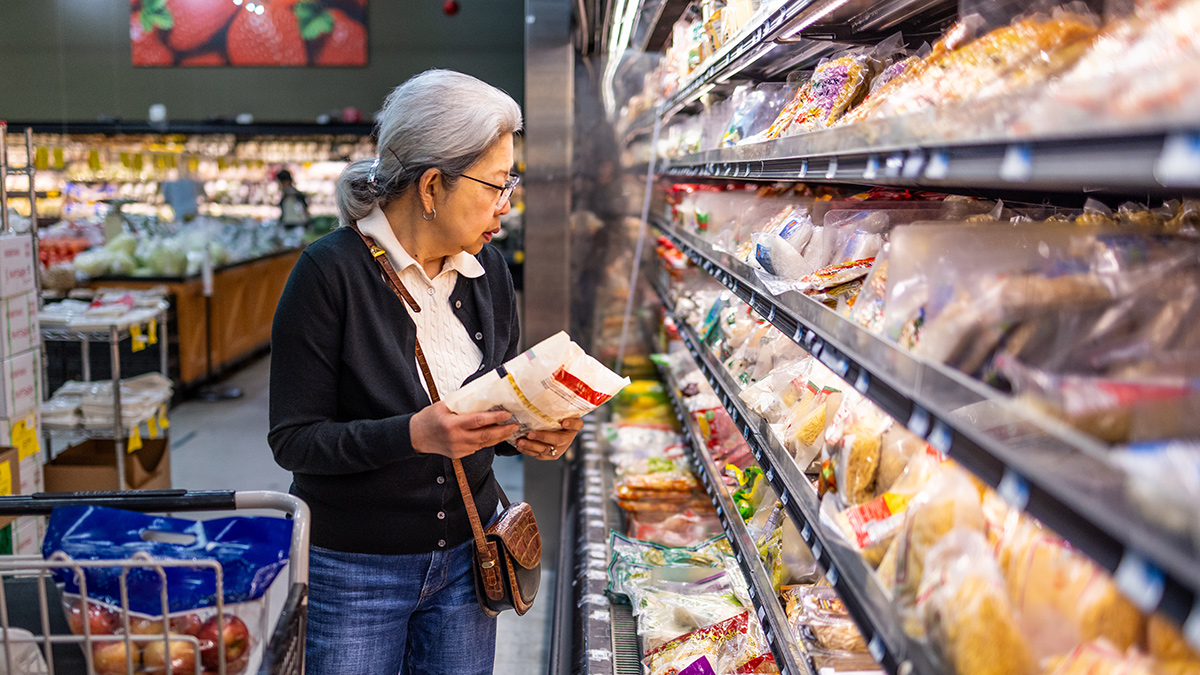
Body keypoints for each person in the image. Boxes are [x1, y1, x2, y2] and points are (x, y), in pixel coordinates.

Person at [268, 70, 582, 675]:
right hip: (355, 572)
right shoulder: (329, 273)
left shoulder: (486, 271)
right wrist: (411, 435)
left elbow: (492, 405)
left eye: (509, 184)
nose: (505, 205)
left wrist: (527, 430)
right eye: (495, 185)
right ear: (433, 185)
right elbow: (294, 440)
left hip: (472, 557)